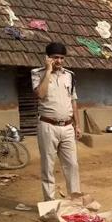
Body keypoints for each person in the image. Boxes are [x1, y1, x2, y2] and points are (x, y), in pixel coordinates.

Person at [31, 42, 82, 201]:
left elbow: (73, 101)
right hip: (47, 126)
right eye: (55, 58)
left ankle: (75, 201)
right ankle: (50, 205)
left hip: (67, 126)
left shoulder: (70, 75)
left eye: (61, 58)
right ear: (47, 58)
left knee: (72, 165)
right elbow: (40, 94)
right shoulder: (37, 73)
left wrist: (77, 124)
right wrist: (48, 71)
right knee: (48, 167)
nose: (59, 61)